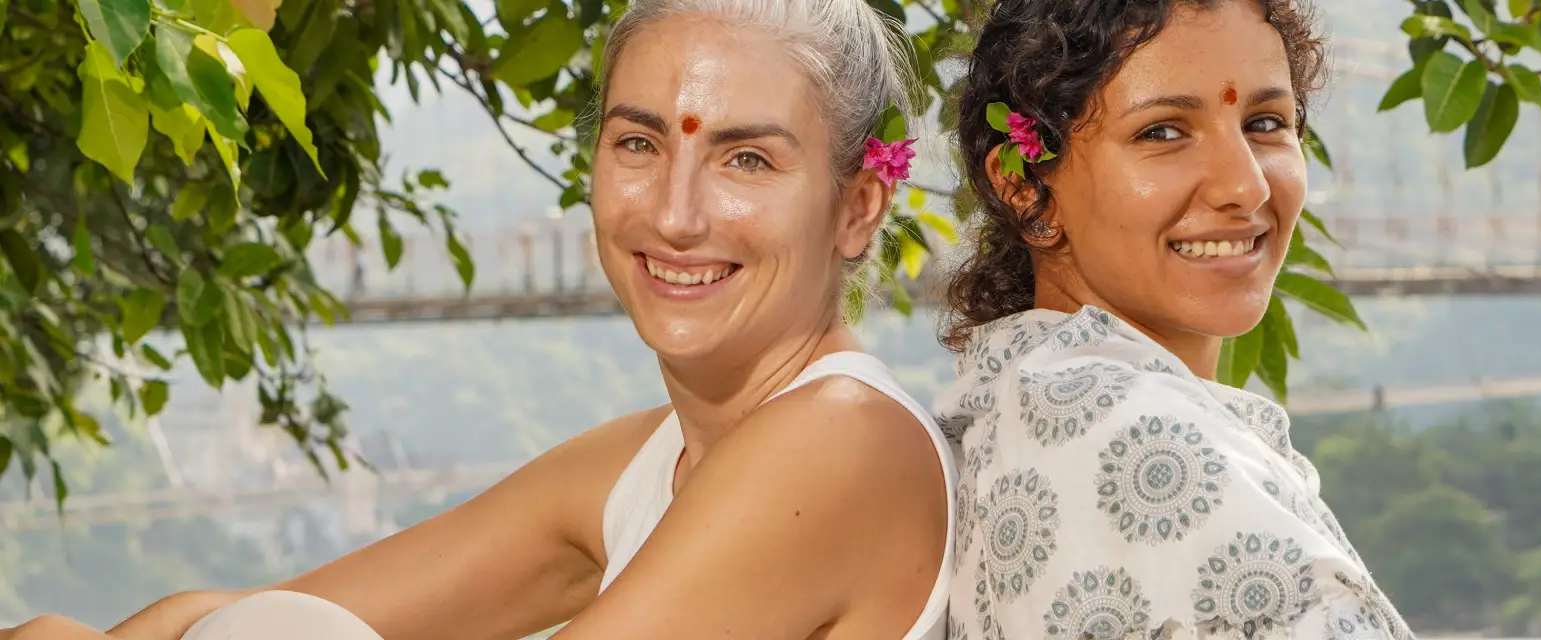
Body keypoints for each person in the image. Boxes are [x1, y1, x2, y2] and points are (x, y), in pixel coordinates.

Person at [3, 1, 955, 638]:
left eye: (747, 160)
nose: (672, 213)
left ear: (857, 207)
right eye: (635, 142)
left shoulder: (842, 442)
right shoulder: (644, 464)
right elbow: (273, 611)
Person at [934, 0, 1414, 638]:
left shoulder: (1018, 408)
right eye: (1162, 132)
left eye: (1267, 122)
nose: (1246, 186)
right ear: (1026, 191)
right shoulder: (1140, 439)